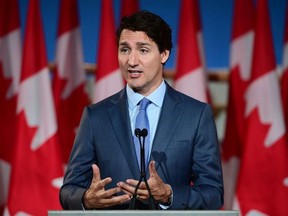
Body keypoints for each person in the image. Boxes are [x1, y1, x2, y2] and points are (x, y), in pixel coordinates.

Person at [59, 10, 224, 210]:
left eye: (143, 50)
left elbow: (213, 193)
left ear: (164, 54)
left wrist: (169, 195)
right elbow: (68, 191)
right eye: (124, 49)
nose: (132, 61)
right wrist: (85, 199)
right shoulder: (96, 117)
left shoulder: (196, 116)